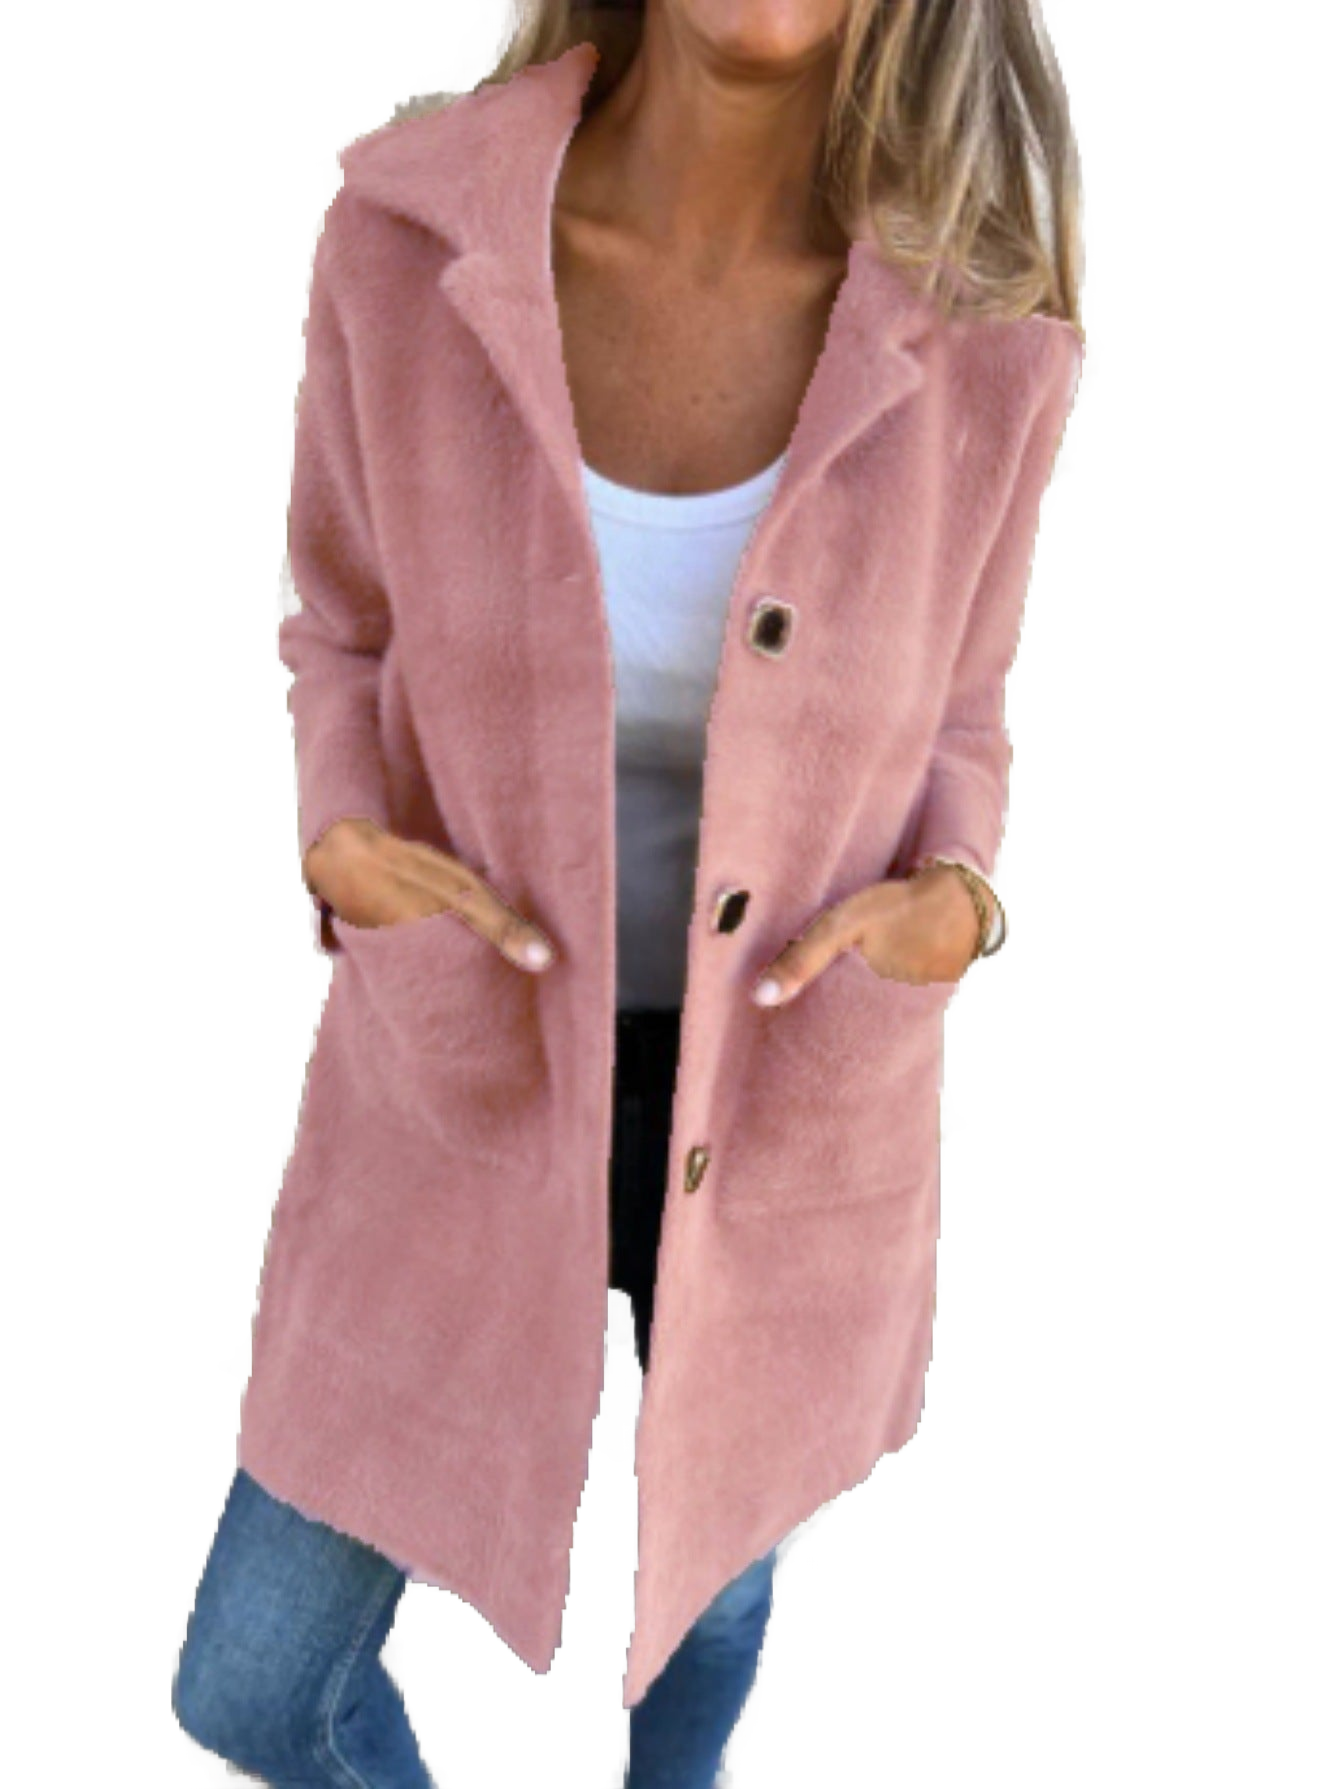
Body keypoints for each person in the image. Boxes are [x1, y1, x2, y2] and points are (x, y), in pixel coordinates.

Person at [173, 1, 1089, 1782]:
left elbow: (963, 710)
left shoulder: (979, 324)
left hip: (790, 1073)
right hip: (470, 1045)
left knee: (713, 1584)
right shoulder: (414, 235)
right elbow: (339, 621)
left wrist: (959, 901)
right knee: (261, 1681)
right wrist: (340, 835)